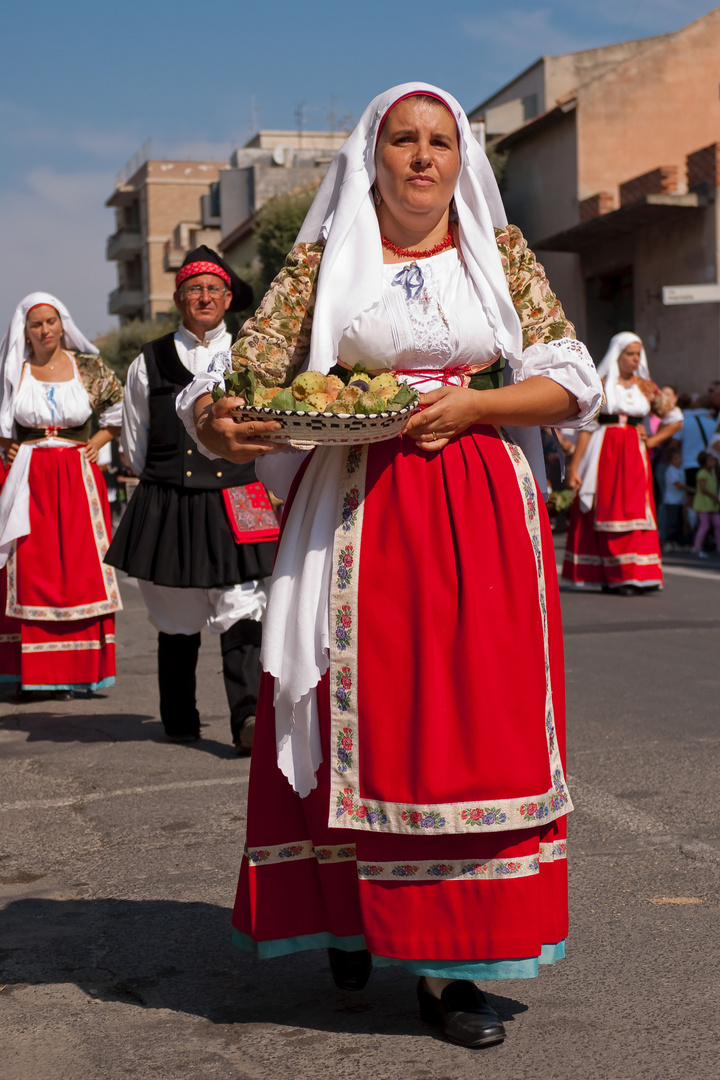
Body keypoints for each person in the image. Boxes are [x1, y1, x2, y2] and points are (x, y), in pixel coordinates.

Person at [178, 84, 602, 1048]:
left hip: (479, 511)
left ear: (464, 157)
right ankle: (350, 912)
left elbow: (571, 373)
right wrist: (219, 420)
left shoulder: (501, 255)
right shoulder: (324, 263)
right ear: (371, 156)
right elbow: (239, 378)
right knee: (355, 713)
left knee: (467, 725)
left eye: (440, 142)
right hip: (354, 517)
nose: (422, 158)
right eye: (403, 140)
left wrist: (478, 409)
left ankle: (452, 965)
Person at [105, 247, 278, 750]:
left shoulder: (252, 355)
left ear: (228, 298)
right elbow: (134, 443)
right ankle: (179, 719)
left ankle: (248, 719)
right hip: (171, 496)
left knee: (245, 604)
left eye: (213, 289)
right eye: (193, 289)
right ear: (179, 298)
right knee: (175, 612)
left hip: (239, 494)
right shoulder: (148, 360)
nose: (204, 297)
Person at [0, 293, 123, 698]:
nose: (44, 330)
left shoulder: (86, 367)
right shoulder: (12, 371)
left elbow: (120, 408)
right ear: (26, 330)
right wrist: (7, 446)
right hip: (28, 476)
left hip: (75, 475)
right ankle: (31, 672)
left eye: (51, 321)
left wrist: (100, 439)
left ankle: (79, 669)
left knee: (80, 567)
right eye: (36, 324)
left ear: (62, 323)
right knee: (31, 567)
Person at [563, 332, 664, 594]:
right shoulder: (602, 383)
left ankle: (637, 573)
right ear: (618, 355)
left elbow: (674, 416)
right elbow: (587, 428)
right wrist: (575, 467)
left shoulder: (646, 386)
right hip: (605, 451)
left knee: (636, 511)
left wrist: (653, 440)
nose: (635, 359)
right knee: (606, 509)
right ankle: (614, 575)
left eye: (637, 354)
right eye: (630, 354)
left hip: (634, 453)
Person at [691, 450, 720, 557]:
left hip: (712, 504)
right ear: (704, 462)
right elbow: (703, 489)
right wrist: (714, 497)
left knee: (718, 524)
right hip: (703, 504)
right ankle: (697, 547)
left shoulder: (713, 473)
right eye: (710, 461)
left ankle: (718, 546)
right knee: (704, 526)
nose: (713, 463)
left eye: (714, 460)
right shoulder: (702, 473)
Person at [662, 448, 690, 550]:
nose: (679, 460)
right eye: (676, 458)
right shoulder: (671, 470)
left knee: (679, 522)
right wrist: (690, 489)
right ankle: (668, 542)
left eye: (680, 457)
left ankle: (677, 543)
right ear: (670, 460)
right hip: (671, 501)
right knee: (672, 523)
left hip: (679, 501)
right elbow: (678, 484)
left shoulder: (680, 470)